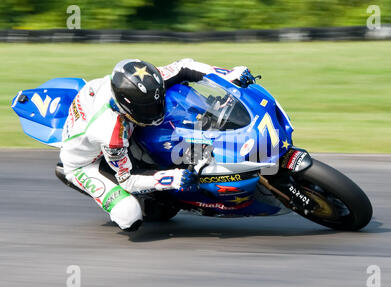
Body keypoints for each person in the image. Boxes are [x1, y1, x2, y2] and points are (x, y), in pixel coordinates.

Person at [60, 58, 256, 232]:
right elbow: (127, 179)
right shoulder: (111, 134)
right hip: (85, 164)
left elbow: (184, 66)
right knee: (129, 216)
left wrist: (227, 75)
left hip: (106, 115)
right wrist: (171, 178)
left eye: (157, 101)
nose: (157, 110)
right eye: (148, 109)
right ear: (126, 109)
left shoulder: (143, 81)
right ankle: (102, 182)